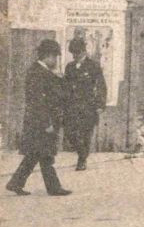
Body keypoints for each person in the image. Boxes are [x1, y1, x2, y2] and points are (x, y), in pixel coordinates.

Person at [7, 39, 70, 196]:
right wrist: (47, 122)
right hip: (41, 122)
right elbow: (38, 102)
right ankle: (53, 188)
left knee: (35, 154)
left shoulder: (43, 72)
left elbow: (58, 94)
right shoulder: (37, 73)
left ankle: (15, 183)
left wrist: (59, 78)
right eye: (55, 57)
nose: (56, 61)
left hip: (41, 121)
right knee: (45, 155)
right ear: (47, 56)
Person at [62, 37, 107, 171]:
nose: (75, 56)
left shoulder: (93, 66)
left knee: (85, 134)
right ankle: (82, 153)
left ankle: (82, 160)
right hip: (71, 107)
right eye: (73, 53)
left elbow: (101, 86)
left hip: (88, 107)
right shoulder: (69, 67)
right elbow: (65, 86)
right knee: (70, 132)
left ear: (83, 51)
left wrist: (100, 105)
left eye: (77, 53)